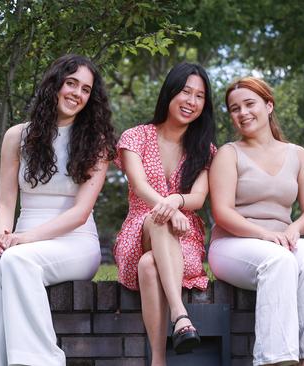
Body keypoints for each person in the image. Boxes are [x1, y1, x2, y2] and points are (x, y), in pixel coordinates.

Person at [0, 54, 116, 365]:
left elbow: (80, 213)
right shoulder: (17, 136)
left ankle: (38, 360)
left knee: (18, 260)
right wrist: (3, 235)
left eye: (86, 89)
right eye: (71, 83)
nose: (77, 93)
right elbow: (6, 202)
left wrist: (23, 240)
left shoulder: (96, 143)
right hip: (22, 239)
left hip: (76, 242)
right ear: (55, 84)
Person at [208, 77, 304, 366]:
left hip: (281, 241)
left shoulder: (297, 154)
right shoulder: (229, 153)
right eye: (234, 108)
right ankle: (275, 361)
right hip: (233, 245)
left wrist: (295, 228)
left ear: (269, 105)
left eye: (249, 104)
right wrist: (264, 234)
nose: (242, 113)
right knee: (280, 262)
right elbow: (222, 213)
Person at [113, 62, 216, 364]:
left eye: (199, 96)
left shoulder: (205, 149)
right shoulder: (136, 136)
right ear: (170, 92)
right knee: (155, 221)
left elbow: (198, 197)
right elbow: (139, 184)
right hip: (139, 229)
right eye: (186, 92)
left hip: (184, 238)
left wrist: (176, 202)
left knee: (149, 265)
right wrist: (169, 209)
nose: (191, 102)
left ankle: (158, 359)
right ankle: (180, 315)